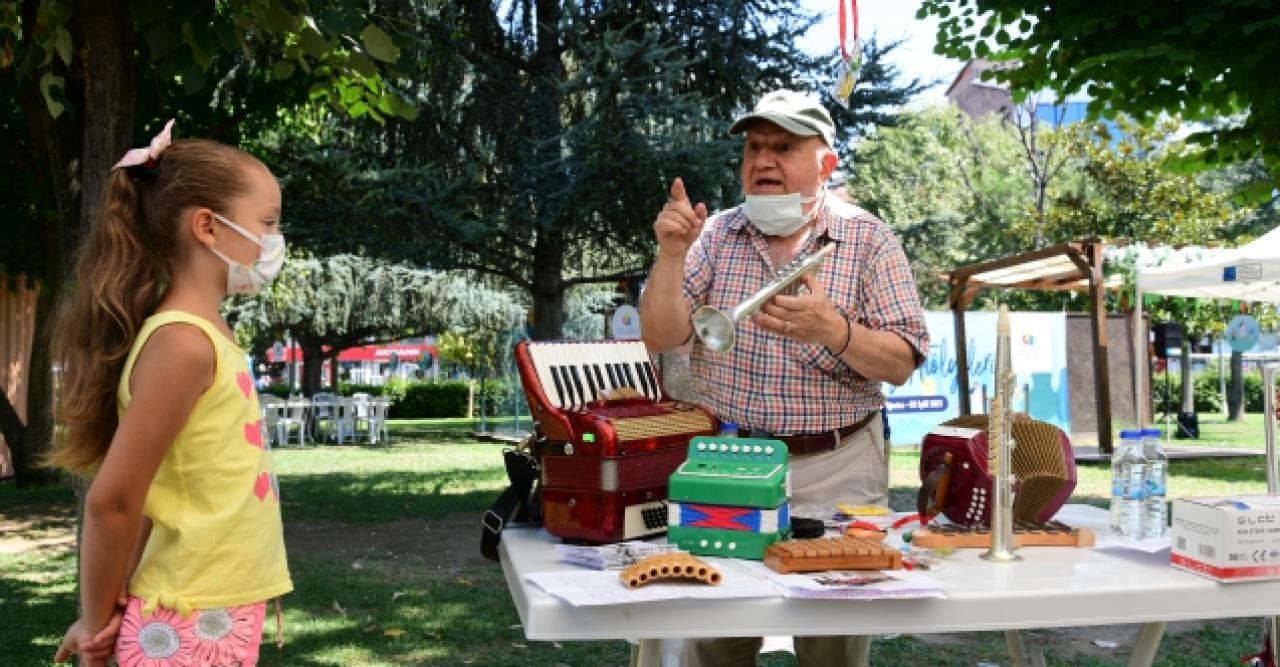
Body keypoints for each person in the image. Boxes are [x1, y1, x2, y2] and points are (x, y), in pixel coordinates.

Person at [639, 90, 928, 667]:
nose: (763, 160)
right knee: (717, 633)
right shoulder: (713, 235)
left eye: (784, 147)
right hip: (730, 462)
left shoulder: (868, 239)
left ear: (826, 163)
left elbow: (902, 359)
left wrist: (835, 330)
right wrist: (670, 257)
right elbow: (660, 337)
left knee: (834, 645)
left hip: (839, 462)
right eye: (754, 147)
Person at [48, 121, 293, 667]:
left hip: (210, 611)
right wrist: (93, 624)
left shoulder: (210, 334)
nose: (276, 240)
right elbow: (113, 502)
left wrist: (110, 604)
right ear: (208, 226)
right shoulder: (183, 344)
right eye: (269, 222)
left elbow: (154, 501)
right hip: (188, 622)